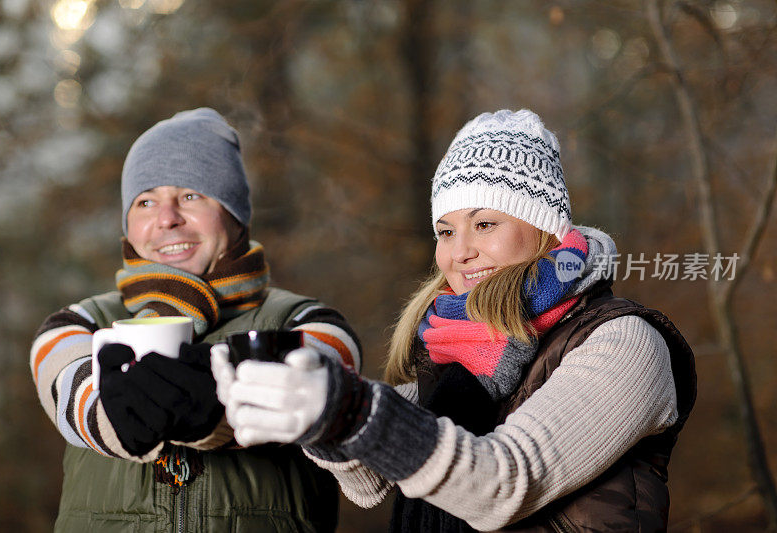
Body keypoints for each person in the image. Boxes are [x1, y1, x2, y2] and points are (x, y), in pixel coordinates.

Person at [213, 109, 696, 531]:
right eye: (446, 231)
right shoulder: (451, 346)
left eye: (485, 224)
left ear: (547, 229)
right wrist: (317, 407)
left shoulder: (624, 341)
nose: (460, 252)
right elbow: (367, 482)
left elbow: (504, 483)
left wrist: (355, 409)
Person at [30, 108, 362, 532]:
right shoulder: (77, 323)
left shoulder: (308, 322)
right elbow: (73, 396)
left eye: (191, 196)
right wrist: (119, 417)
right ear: (128, 225)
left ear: (235, 216)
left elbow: (318, 384)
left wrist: (217, 407)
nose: (167, 218)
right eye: (146, 201)